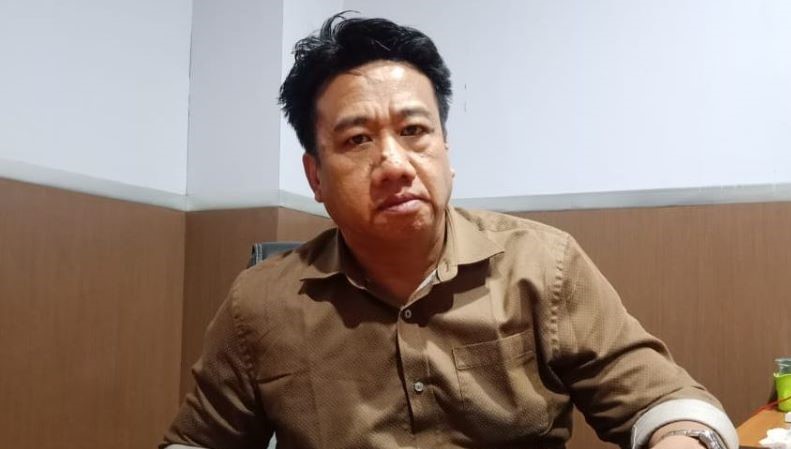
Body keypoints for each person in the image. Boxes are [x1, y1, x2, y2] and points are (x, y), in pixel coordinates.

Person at [162, 13, 738, 449]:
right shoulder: (261, 304)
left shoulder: (543, 264)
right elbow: (196, 441)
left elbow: (667, 400)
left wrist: (681, 438)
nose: (394, 163)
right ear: (315, 176)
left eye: (415, 130)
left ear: (446, 150)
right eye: (357, 140)